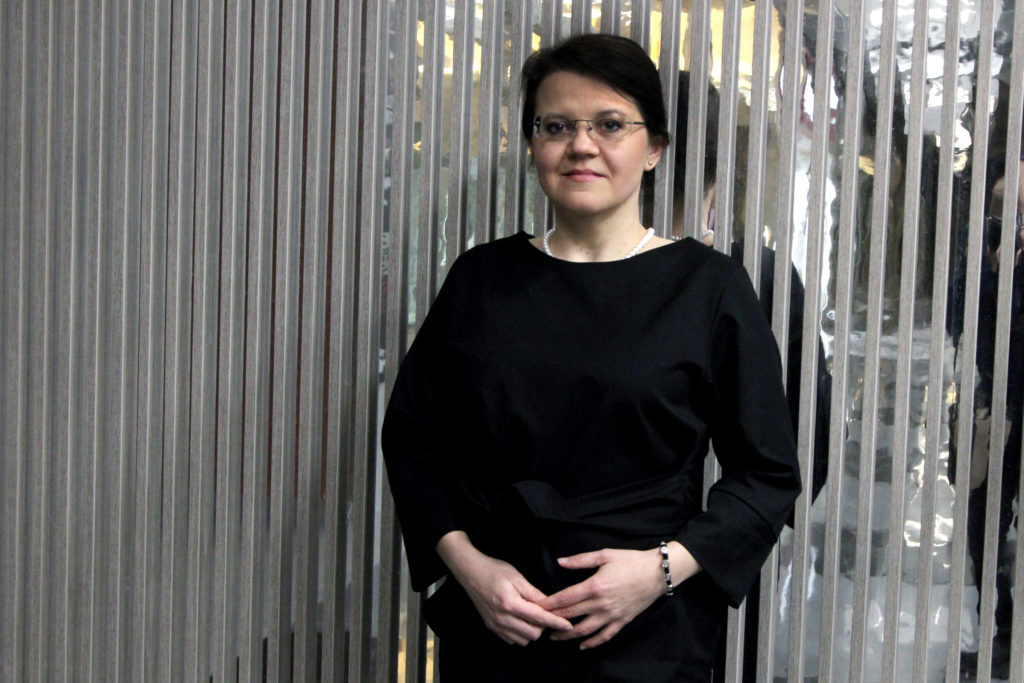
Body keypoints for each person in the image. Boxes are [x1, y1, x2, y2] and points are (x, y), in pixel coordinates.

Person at [382, 34, 802, 681]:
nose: (581, 144)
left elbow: (766, 473)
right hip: (497, 628)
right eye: (556, 126)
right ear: (533, 145)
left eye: (610, 124)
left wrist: (658, 571)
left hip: (651, 635)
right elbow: (413, 438)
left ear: (654, 147)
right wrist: (469, 566)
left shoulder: (708, 287)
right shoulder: (480, 279)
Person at [951, 153, 1024, 680]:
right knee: (984, 523)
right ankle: (1001, 630)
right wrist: (996, 272)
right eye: (1004, 203)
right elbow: (960, 321)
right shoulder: (980, 244)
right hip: (994, 402)